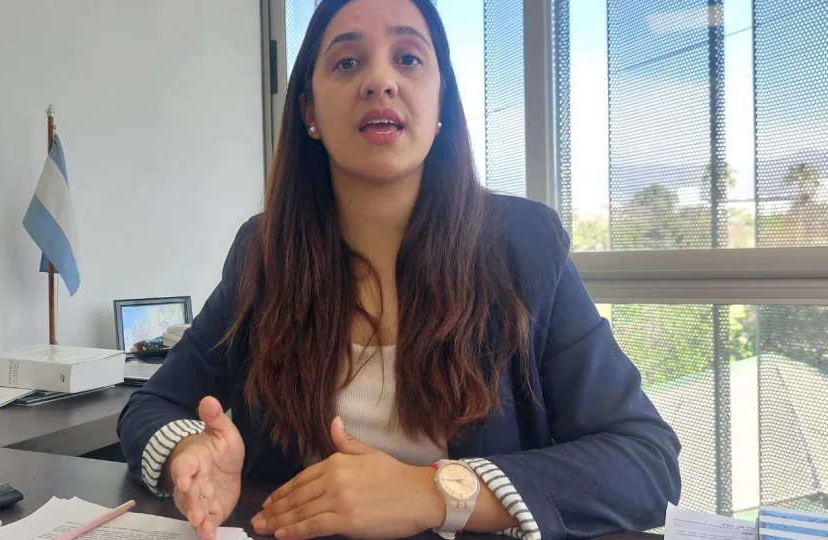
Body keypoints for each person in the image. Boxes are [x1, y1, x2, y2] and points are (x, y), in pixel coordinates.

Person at [116, 0, 681, 539]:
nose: (379, 81)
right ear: (309, 111)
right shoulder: (263, 254)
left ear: (441, 103)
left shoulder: (525, 245)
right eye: (347, 62)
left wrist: (431, 492)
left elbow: (644, 459)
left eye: (408, 58)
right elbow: (152, 405)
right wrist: (188, 451)